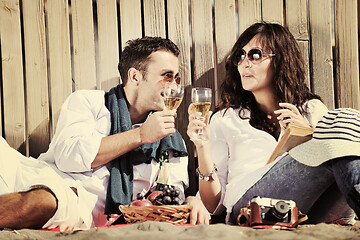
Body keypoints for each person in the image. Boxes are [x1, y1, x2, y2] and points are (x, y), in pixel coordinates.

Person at [0, 36, 210, 230]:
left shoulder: (169, 140)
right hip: (33, 173)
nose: (174, 86)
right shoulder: (88, 102)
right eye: (167, 76)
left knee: (44, 202)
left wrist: (192, 200)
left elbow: (167, 198)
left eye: (177, 78)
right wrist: (139, 136)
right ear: (135, 76)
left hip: (72, 202)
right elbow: (68, 157)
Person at [187, 22, 360, 225]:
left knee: (346, 118)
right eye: (240, 56)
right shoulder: (226, 119)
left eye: (255, 54)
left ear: (281, 60)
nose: (244, 63)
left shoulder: (311, 109)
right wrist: (202, 146)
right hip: (251, 207)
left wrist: (307, 134)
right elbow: (214, 204)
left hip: (310, 211)